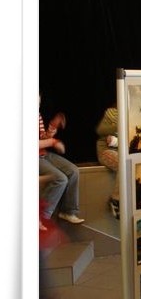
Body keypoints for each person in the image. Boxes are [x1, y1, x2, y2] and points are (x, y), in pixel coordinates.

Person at [39, 93, 84, 224]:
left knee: (73, 171)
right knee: (60, 179)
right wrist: (53, 142)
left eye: (38, 103)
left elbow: (42, 139)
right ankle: (41, 216)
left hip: (43, 153)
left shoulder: (37, 116)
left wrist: (52, 128)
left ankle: (68, 211)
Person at [96, 104, 120, 219]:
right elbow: (100, 130)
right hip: (106, 150)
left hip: (121, 150)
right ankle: (115, 200)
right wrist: (123, 125)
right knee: (123, 164)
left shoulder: (133, 115)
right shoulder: (112, 113)